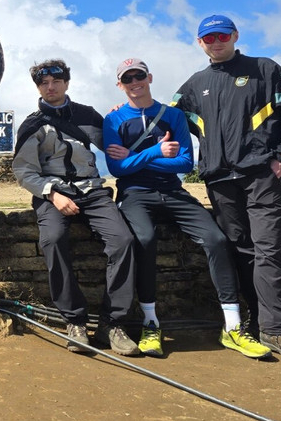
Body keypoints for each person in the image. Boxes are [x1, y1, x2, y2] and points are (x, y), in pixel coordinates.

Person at [172, 15, 281, 364]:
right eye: (208, 38)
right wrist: (125, 112)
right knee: (240, 250)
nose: (216, 41)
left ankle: (277, 330)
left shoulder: (264, 69)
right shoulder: (195, 84)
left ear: (235, 36)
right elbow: (166, 119)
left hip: (261, 177)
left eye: (222, 35)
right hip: (220, 181)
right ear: (199, 43)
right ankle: (252, 323)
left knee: (268, 250)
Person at [104, 58, 270, 360]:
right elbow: (117, 168)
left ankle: (232, 326)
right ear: (120, 85)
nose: (134, 82)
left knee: (217, 240)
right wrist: (156, 151)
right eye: (127, 79)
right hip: (135, 194)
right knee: (144, 240)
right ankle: (150, 323)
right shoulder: (113, 120)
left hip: (172, 191)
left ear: (149, 77)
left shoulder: (173, 116)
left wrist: (135, 156)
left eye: (138, 75)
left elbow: (183, 163)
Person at [11, 59, 139, 357]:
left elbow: (113, 143)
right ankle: (74, 320)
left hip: (92, 191)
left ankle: (113, 323)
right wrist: (53, 194)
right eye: (44, 83)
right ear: (38, 87)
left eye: (56, 81)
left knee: (123, 240)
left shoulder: (88, 116)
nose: (51, 87)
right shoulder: (32, 124)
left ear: (66, 82)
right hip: (52, 194)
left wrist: (120, 119)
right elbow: (24, 171)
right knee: (52, 240)